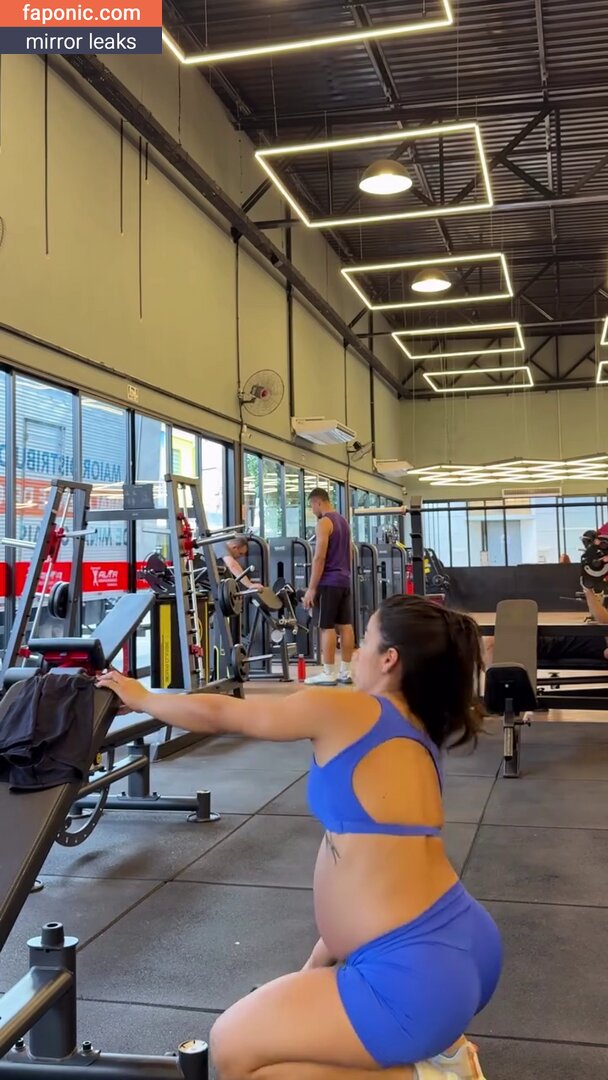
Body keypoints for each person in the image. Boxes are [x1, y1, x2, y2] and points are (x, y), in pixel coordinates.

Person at [98, 595, 502, 1080]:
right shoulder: (419, 732)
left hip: (414, 974)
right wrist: (314, 967)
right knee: (281, 1038)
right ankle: (442, 1054)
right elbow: (374, 872)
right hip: (458, 942)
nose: (356, 653)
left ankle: (430, 1076)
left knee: (232, 1052)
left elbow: (225, 714)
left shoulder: (349, 710)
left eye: (365, 641)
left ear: (389, 659)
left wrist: (143, 698)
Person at [303, 488, 355, 686]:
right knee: (345, 626)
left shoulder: (324, 522)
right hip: (343, 581)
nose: (312, 510)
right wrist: (345, 574)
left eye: (311, 506)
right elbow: (350, 552)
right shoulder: (343, 522)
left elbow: (319, 557)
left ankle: (328, 672)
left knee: (327, 627)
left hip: (328, 582)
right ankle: (345, 672)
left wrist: (311, 588)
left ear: (318, 502)